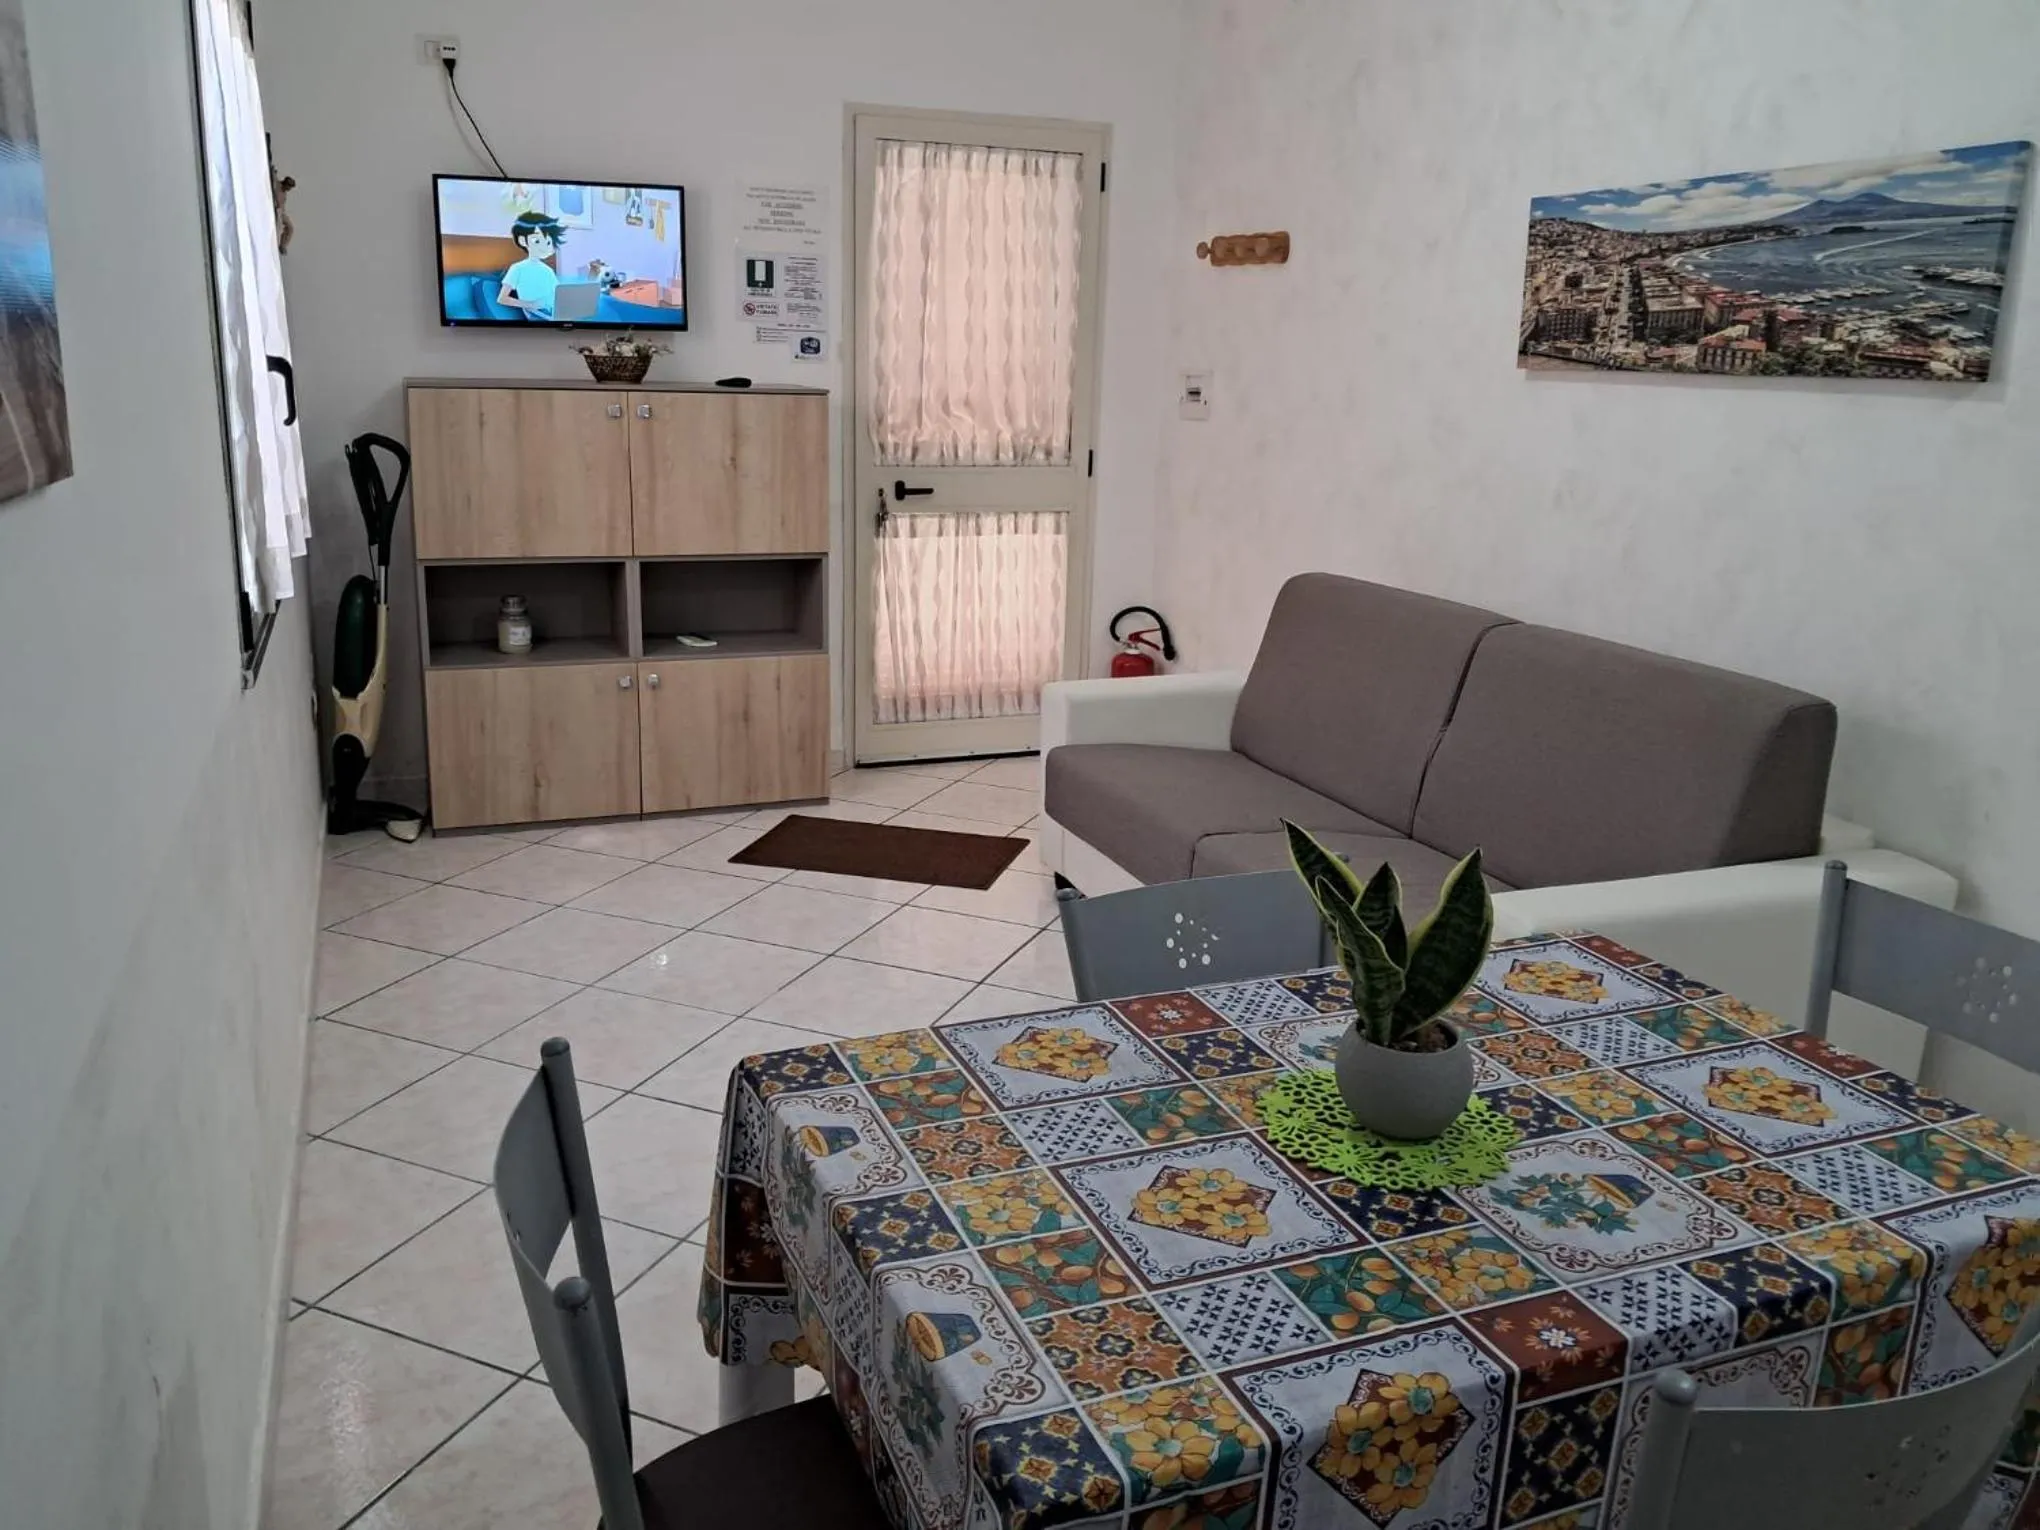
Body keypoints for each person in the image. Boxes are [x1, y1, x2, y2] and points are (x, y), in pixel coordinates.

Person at [498, 212, 565, 320]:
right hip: (536, 313)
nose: (543, 247)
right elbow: (502, 298)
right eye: (537, 241)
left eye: (548, 242)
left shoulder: (548, 270)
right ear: (523, 241)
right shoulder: (518, 268)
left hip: (553, 312)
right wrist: (531, 304)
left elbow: (558, 293)